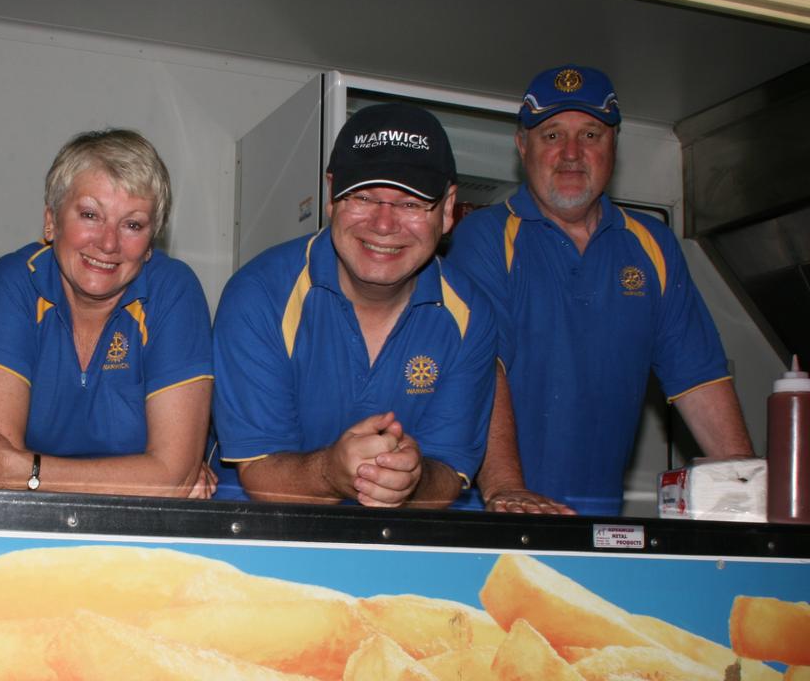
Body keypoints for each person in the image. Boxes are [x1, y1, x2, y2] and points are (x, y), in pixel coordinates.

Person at [446, 64, 754, 516]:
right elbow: (480, 368)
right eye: (551, 135)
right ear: (522, 145)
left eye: (590, 135)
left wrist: (749, 495)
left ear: (614, 146)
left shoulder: (654, 246)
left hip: (599, 522)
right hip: (492, 516)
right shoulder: (485, 237)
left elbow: (699, 379)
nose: (571, 153)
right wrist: (508, 491)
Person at [212, 103, 496, 506]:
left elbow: (450, 471)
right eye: (363, 197)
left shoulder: (472, 314)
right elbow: (260, 473)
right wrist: (332, 471)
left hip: (389, 550)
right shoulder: (259, 295)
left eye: (411, 203)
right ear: (332, 195)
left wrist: (413, 478)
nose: (383, 225)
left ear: (448, 208)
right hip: (256, 541)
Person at [0, 129, 215, 496]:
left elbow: (173, 477)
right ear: (50, 221)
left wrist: (30, 472)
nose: (108, 243)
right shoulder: (14, 282)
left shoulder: (174, 292)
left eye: (133, 224)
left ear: (151, 243)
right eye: (90, 215)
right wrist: (147, 479)